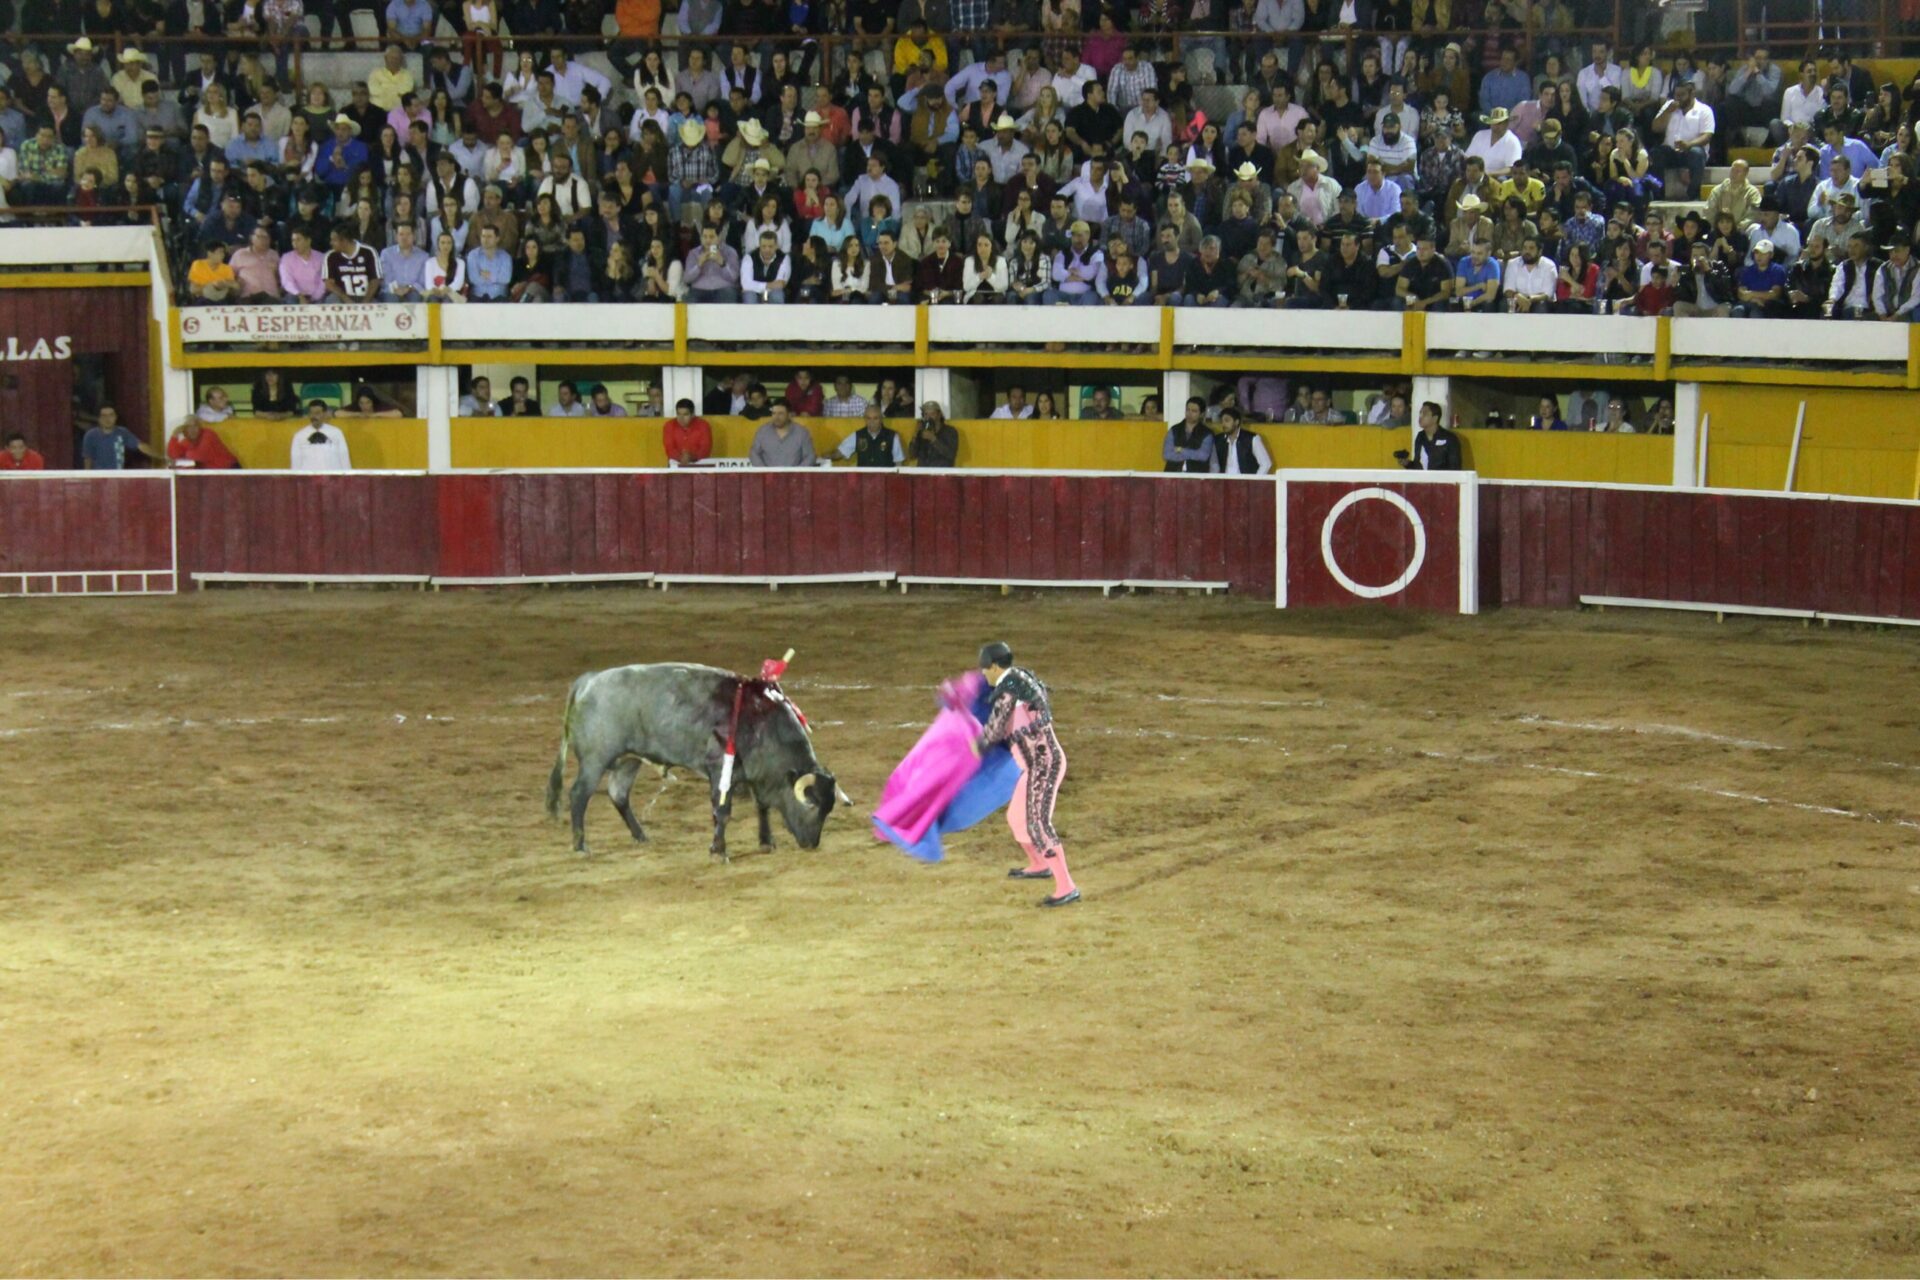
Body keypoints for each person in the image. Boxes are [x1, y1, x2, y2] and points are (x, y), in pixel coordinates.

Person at [974, 641, 1078, 908]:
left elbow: (994, 731)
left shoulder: (1008, 691)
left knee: (1038, 824)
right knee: (1017, 817)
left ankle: (1066, 886)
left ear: (996, 666)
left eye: (986, 669)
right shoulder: (1022, 677)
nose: (984, 674)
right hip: (1036, 764)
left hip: (1043, 765)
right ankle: (1039, 863)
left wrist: (973, 746)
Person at [81, 406, 164, 470]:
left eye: (111, 415)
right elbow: (88, 459)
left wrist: (162, 457)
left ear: (116, 417)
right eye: (104, 416)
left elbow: (141, 446)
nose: (108, 419)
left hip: (118, 476)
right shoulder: (91, 435)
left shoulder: (123, 432)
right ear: (99, 419)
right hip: (99, 477)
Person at [1395, 401, 1461, 470]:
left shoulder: (1450, 438)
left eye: (1425, 414)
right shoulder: (1420, 436)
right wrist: (1408, 464)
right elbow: (1418, 465)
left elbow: (1455, 468)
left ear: (1435, 418)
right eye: (1420, 413)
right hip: (1422, 480)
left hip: (1443, 480)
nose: (1420, 417)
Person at [748, 403, 817, 466]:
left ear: (789, 415)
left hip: (794, 478)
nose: (776, 417)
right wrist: (764, 472)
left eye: (780, 413)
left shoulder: (802, 433)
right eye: (774, 413)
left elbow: (810, 456)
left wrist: (797, 474)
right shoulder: (763, 431)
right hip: (768, 478)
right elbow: (754, 453)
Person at [290, 400, 352, 470]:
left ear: (325, 414)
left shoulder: (336, 433)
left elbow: (344, 460)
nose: (313, 416)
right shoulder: (299, 436)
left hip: (332, 478)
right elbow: (295, 464)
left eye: (317, 413)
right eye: (311, 413)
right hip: (308, 479)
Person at [837, 404, 904, 466]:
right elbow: (840, 452)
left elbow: (898, 462)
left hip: (885, 478)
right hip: (863, 478)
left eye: (875, 418)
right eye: (868, 418)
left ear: (881, 419)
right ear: (864, 419)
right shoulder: (858, 435)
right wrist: (827, 457)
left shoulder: (892, 436)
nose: (872, 422)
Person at [1211, 408, 1271, 475]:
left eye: (1227, 421)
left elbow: (1266, 464)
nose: (1223, 424)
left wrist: (1254, 482)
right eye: (1222, 421)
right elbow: (1214, 465)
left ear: (1236, 422)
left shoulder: (1252, 438)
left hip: (1245, 483)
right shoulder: (1218, 440)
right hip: (1224, 482)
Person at [1163, 396, 1214, 472]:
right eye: (1188, 410)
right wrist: (1192, 454)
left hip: (1197, 475)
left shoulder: (1207, 433)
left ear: (1202, 414)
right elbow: (1167, 454)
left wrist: (1180, 450)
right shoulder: (1174, 430)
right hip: (1173, 473)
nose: (1189, 413)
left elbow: (1203, 456)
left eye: (1194, 411)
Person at [166, 415, 240, 468]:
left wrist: (184, 442)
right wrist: (174, 436)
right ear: (183, 429)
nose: (192, 429)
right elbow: (173, 455)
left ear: (200, 427)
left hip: (230, 470)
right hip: (211, 475)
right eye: (188, 427)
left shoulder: (208, 434)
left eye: (195, 426)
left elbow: (198, 456)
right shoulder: (187, 440)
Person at [664, 399, 713, 465]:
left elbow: (705, 449)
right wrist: (681, 457)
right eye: (678, 414)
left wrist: (691, 457)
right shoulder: (669, 426)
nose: (681, 418)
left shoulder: (703, 426)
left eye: (685, 414)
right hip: (676, 464)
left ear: (693, 415)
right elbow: (669, 449)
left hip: (699, 464)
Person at [912, 401, 958, 467]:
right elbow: (912, 455)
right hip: (923, 473)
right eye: (926, 414)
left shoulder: (950, 431)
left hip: (942, 473)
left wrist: (933, 439)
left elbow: (951, 454)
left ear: (939, 415)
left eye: (932, 414)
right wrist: (915, 433)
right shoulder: (922, 431)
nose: (929, 417)